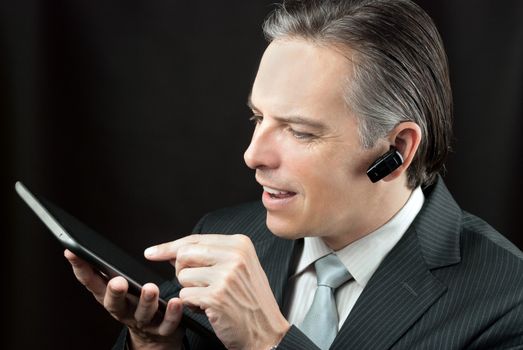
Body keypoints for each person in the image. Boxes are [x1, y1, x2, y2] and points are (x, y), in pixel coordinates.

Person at [65, 0, 523, 349]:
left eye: (300, 132)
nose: (252, 155)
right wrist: (154, 345)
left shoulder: (507, 301)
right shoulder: (222, 234)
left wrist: (268, 340)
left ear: (397, 151)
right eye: (257, 119)